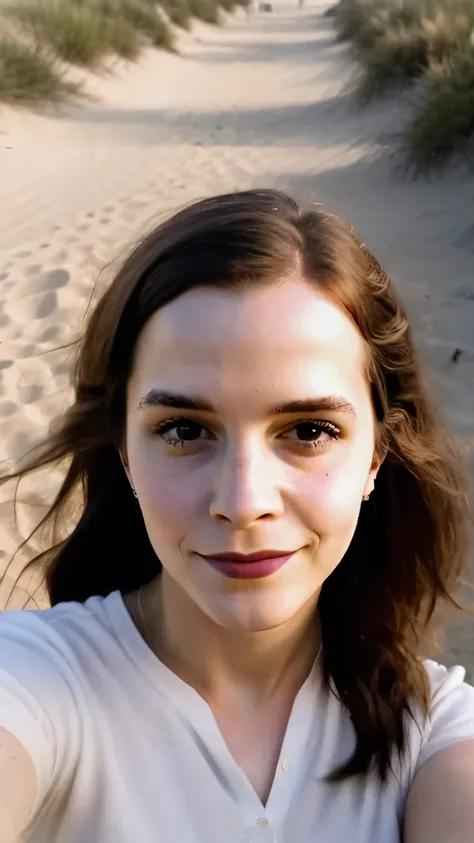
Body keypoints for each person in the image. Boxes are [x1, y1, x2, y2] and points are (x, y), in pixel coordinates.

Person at [0, 188, 473, 843]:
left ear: (377, 455)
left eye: (308, 428)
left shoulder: (435, 731)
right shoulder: (35, 677)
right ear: (125, 453)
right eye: (184, 429)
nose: (244, 500)